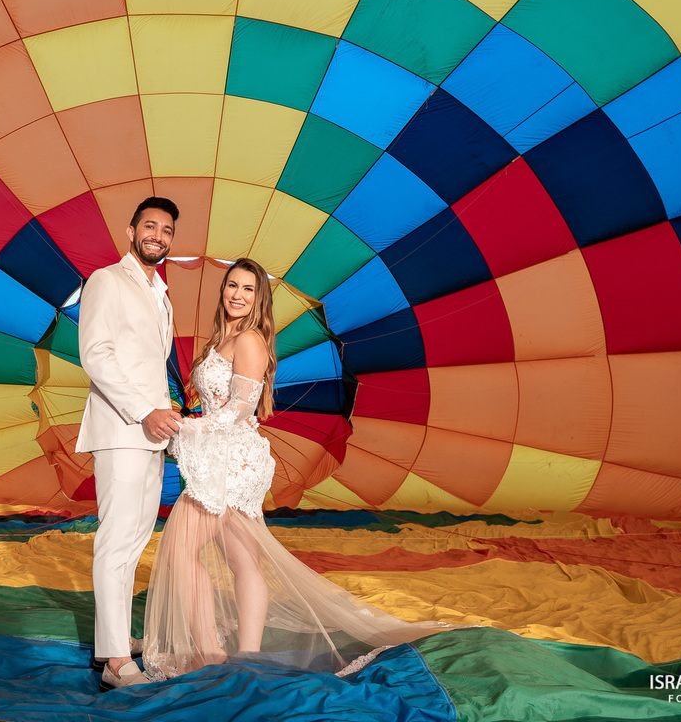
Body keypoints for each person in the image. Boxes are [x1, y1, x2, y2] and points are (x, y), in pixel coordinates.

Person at [142, 258, 454, 681]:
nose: (237, 295)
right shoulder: (222, 338)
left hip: (231, 458)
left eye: (248, 289)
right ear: (223, 290)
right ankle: (248, 653)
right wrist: (189, 424)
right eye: (232, 285)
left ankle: (210, 654)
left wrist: (187, 427)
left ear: (259, 298)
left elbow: (240, 408)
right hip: (226, 453)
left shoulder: (248, 339)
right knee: (243, 559)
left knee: (181, 551)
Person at [76, 196, 183, 690]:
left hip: (150, 434)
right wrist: (145, 412)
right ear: (131, 231)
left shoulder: (161, 293)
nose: (157, 235)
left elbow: (147, 366)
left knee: (134, 540)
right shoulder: (106, 280)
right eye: (150, 226)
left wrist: (164, 409)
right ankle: (117, 663)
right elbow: (96, 355)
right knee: (116, 540)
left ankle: (111, 642)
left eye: (166, 230)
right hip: (122, 430)